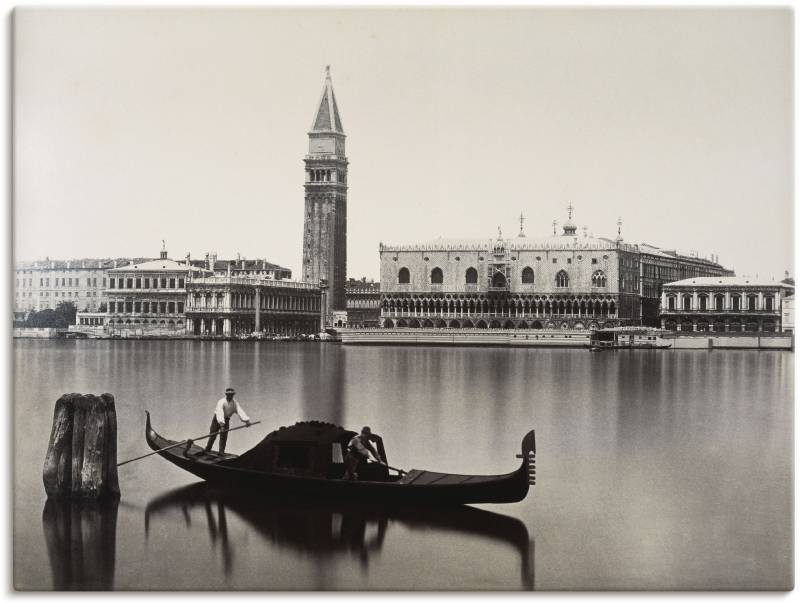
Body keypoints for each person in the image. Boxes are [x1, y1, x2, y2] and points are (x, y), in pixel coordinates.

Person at [204, 388, 251, 454]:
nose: (230, 396)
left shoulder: (235, 403)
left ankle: (221, 452)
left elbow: (240, 411)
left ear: (233, 395)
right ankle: (207, 449)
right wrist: (222, 425)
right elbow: (220, 413)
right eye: (229, 394)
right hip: (217, 419)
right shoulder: (221, 401)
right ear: (226, 395)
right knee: (213, 435)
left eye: (231, 394)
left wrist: (246, 421)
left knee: (224, 436)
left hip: (226, 419)